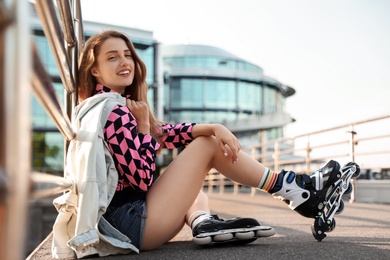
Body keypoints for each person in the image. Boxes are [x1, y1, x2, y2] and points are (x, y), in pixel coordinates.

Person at [51, 29, 357, 259]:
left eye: (127, 54)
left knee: (196, 169)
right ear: (94, 70)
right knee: (207, 145)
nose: (124, 61)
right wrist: (150, 128)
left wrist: (210, 125)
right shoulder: (114, 111)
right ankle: (297, 190)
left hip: (134, 220)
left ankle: (203, 220)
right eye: (112, 57)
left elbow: (166, 133)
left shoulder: (115, 105)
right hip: (131, 226)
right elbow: (143, 178)